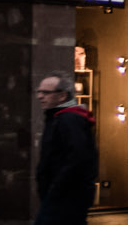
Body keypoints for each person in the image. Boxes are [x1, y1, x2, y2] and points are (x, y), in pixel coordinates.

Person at [33, 75, 97, 225]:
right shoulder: (59, 118)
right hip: (63, 194)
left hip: (67, 195)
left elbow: (77, 157)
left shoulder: (69, 119)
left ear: (62, 95)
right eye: (39, 91)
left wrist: (57, 186)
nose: (40, 96)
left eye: (46, 92)